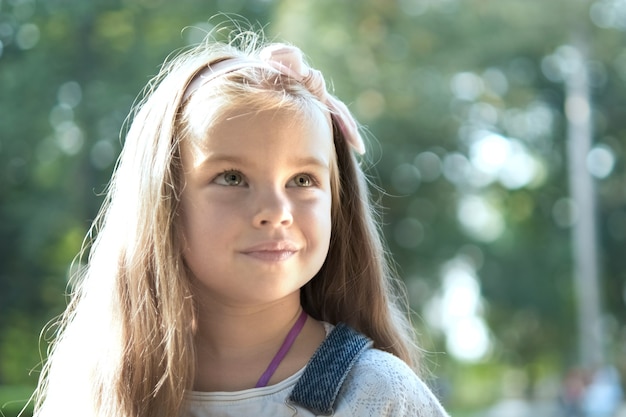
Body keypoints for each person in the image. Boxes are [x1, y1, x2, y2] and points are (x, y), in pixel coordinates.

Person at [33, 28, 450, 417]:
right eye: (232, 178)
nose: (276, 210)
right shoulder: (100, 391)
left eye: (302, 180)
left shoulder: (376, 395)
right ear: (164, 204)